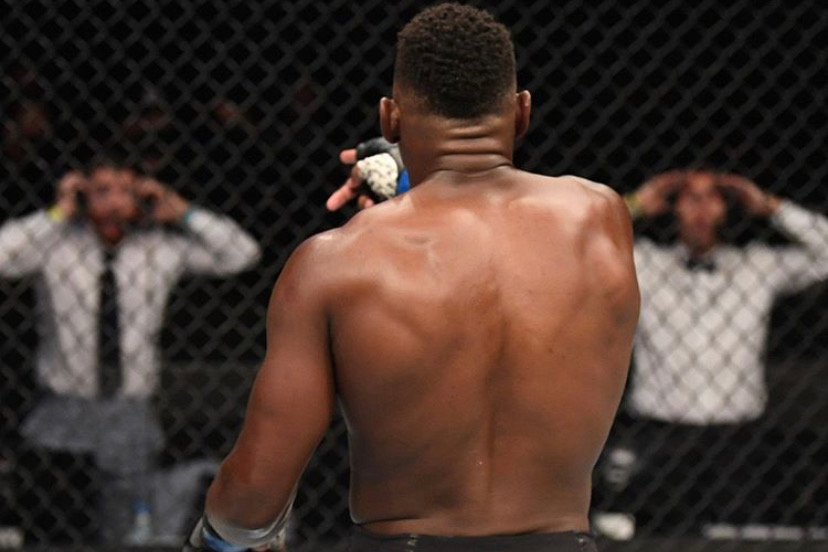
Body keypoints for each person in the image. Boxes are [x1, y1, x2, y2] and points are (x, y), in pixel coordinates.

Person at [186, 4, 639, 552]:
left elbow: (250, 502)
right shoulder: (600, 218)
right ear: (522, 112)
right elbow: (481, 227)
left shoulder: (333, 263)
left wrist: (214, 540)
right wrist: (409, 180)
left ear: (389, 118)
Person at [0, 157, 262, 544]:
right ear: (82, 194)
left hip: (129, 407)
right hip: (63, 403)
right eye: (101, 191)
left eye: (126, 192)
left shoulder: (158, 248)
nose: (113, 204)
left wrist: (182, 211)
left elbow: (241, 254)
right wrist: (57, 212)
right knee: (52, 519)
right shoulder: (56, 246)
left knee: (125, 525)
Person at [592, 169, 828, 536]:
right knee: (648, 536)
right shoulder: (644, 262)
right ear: (671, 207)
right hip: (658, 432)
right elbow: (574, 245)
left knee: (738, 536)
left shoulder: (758, 264)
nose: (701, 207)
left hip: (738, 439)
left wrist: (772, 207)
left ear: (728, 208)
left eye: (712, 197)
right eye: (690, 197)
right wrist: (634, 204)